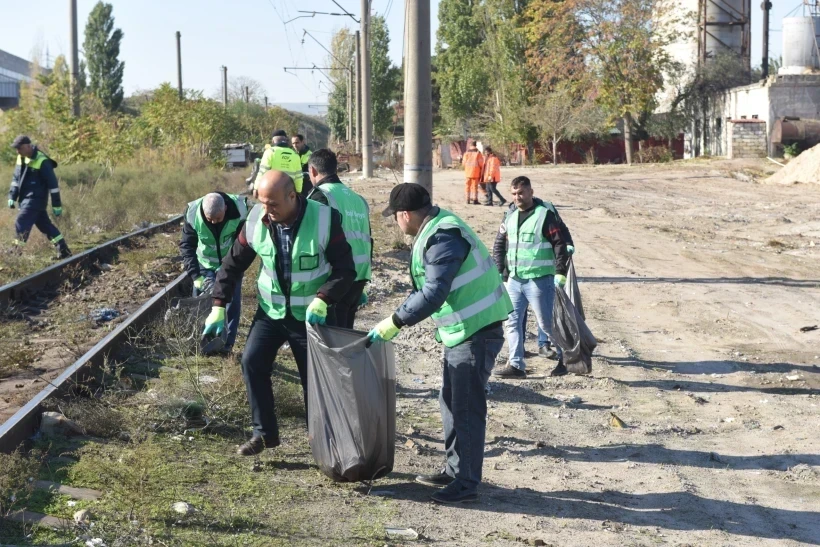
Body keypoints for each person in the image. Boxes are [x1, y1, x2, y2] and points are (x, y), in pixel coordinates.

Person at [367, 184, 512, 504]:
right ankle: (454, 469)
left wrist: (395, 321)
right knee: (451, 401)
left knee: (466, 407)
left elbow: (434, 292)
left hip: (477, 331)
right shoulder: (439, 227)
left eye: (395, 217)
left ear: (405, 215)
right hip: (465, 330)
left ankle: (466, 482)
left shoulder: (442, 237)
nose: (396, 223)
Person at [204, 170, 355, 456]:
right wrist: (218, 306)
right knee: (252, 362)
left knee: (317, 380)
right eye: (262, 202)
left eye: (273, 204)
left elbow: (346, 269)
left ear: (292, 196)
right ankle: (264, 434)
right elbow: (232, 265)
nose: (267, 210)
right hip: (271, 312)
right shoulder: (255, 221)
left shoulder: (324, 219)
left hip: (311, 316)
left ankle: (325, 441)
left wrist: (324, 298)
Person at [492, 176, 571, 378]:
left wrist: (561, 272)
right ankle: (516, 365)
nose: (517, 197)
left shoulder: (544, 215)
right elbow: (500, 244)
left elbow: (559, 243)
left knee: (545, 323)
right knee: (512, 321)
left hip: (539, 280)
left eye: (521, 193)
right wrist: (501, 271)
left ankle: (567, 358)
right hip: (515, 280)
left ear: (530, 192)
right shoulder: (510, 216)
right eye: (514, 194)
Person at [306, 149, 372, 329]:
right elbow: (366, 239)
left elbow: (311, 239)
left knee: (331, 343)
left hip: (335, 280)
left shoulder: (320, 196)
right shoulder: (358, 199)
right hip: (359, 278)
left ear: (312, 170)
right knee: (345, 334)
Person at [180, 191, 249, 353]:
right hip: (204, 265)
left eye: (217, 219)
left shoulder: (240, 211)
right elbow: (187, 246)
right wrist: (195, 275)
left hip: (231, 265)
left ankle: (226, 345)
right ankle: (200, 343)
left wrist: (230, 267)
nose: (213, 222)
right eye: (209, 219)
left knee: (231, 304)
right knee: (200, 304)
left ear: (225, 208)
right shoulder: (192, 214)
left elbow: (245, 244)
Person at [7, 135, 71, 259]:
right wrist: (12, 196)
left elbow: (53, 185)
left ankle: (15, 253)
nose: (17, 151)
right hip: (25, 199)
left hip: (36, 199)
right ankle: (63, 250)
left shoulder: (42, 161)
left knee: (21, 221)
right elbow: (16, 179)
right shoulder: (21, 157)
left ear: (27, 146)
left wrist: (56, 204)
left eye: (19, 148)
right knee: (45, 226)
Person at [254, 130, 304, 197]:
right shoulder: (295, 154)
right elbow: (299, 176)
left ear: (273, 141)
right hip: (289, 192)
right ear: (286, 140)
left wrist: (256, 188)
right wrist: (298, 192)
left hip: (272, 190)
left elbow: (262, 172)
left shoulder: (270, 152)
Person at [461, 139, 484, 205]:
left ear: (470, 145)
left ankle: (467, 199)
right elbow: (481, 163)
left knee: (467, 186)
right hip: (475, 172)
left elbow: (463, 163)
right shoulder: (478, 153)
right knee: (475, 187)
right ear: (475, 145)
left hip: (468, 172)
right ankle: (475, 200)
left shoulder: (466, 153)